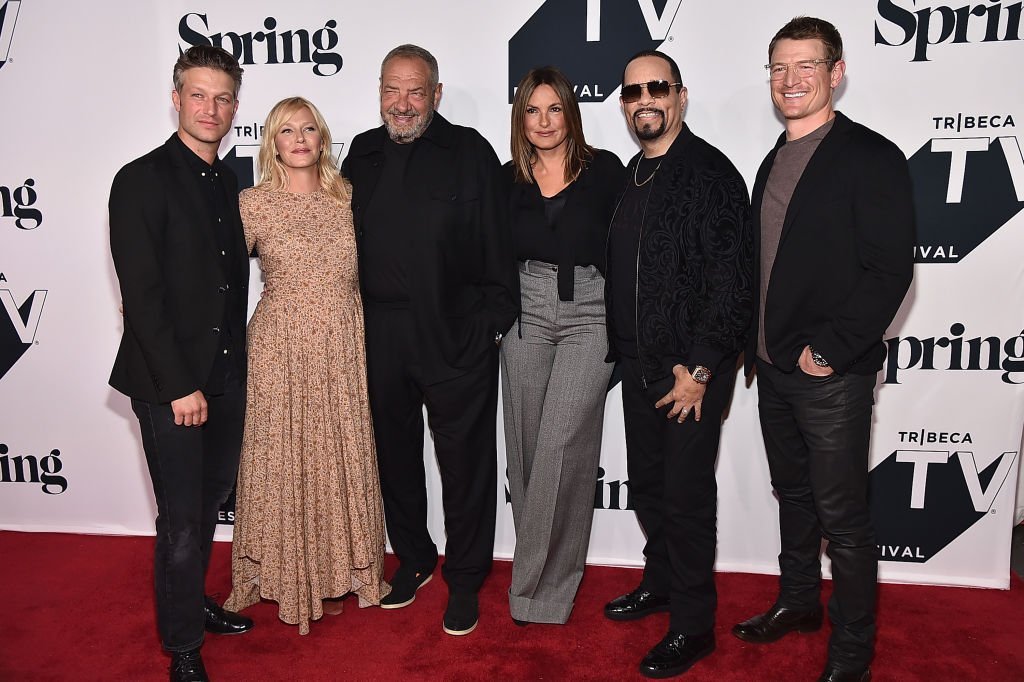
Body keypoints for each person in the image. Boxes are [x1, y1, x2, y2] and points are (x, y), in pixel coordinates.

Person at [731, 17, 914, 682]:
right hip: (774, 369)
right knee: (795, 497)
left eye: (806, 66)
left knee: (844, 517)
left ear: (836, 72)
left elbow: (890, 270)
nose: (791, 80)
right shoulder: (772, 160)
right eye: (779, 67)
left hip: (829, 375)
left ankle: (853, 647)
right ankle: (801, 603)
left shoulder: (872, 157)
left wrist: (832, 350)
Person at [341, 44, 519, 636]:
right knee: (394, 456)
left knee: (465, 464)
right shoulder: (360, 154)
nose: (403, 103)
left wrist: (488, 324)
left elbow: (500, 247)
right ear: (380, 93)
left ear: (436, 94)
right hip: (379, 335)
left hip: (454, 333)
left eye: (416, 90)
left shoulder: (471, 151)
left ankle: (465, 578)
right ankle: (414, 558)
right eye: (392, 89)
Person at [602, 50, 753, 678]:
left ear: (681, 97)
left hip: (690, 373)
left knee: (686, 498)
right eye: (634, 91)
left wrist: (701, 368)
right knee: (651, 489)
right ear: (623, 104)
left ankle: (693, 626)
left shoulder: (711, 173)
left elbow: (734, 280)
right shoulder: (632, 174)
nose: (646, 99)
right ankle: (660, 582)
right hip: (639, 364)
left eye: (657, 87)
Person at [108, 45, 253, 682]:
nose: (210, 108)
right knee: (182, 520)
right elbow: (141, 297)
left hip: (225, 378)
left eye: (222, 98)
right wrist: (179, 386)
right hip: (173, 386)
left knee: (210, 501)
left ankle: (191, 602)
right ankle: (183, 645)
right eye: (198, 95)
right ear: (176, 97)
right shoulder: (139, 179)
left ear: (235, 107)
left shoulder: (229, 179)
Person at [223, 97, 390, 635]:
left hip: (342, 341)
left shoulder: (351, 199)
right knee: (283, 457)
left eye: (309, 128)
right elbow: (213, 272)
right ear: (270, 141)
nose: (298, 138)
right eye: (286, 130)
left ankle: (337, 569)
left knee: (335, 453)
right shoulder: (252, 203)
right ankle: (281, 571)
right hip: (280, 345)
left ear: (323, 138)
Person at [501, 66, 624, 626]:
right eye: (533, 110)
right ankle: (538, 581)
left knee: (561, 448)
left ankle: (540, 593)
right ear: (520, 117)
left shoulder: (604, 171)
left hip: (590, 311)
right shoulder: (506, 179)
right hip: (525, 309)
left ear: (570, 112)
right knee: (526, 448)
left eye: (554, 109)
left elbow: (630, 252)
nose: (544, 121)